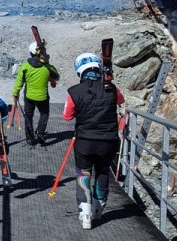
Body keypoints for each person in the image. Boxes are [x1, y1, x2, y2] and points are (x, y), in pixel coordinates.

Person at [62, 52, 125, 229]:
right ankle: (99, 209)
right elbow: (121, 100)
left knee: (83, 174)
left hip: (84, 141)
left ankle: (85, 213)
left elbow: (67, 116)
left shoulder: (74, 91)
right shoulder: (111, 88)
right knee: (102, 172)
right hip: (108, 141)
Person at [12, 41, 60, 146]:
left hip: (29, 96)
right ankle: (40, 132)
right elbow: (57, 76)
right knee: (44, 114)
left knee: (28, 116)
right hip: (43, 97)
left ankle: (30, 138)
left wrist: (15, 94)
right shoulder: (47, 67)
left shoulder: (25, 66)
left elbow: (19, 82)